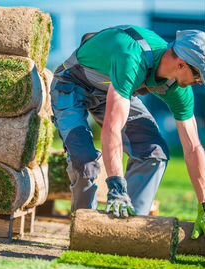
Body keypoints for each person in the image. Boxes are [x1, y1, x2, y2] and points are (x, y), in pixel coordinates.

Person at [50, 25, 205, 239]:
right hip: (71, 85)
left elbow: (194, 146)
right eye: (198, 77)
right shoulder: (132, 57)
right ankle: (85, 233)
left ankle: (123, 233)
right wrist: (116, 185)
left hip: (115, 89)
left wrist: (204, 203)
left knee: (154, 154)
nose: (199, 83)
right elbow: (113, 127)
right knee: (85, 162)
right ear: (181, 64)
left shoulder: (178, 89)